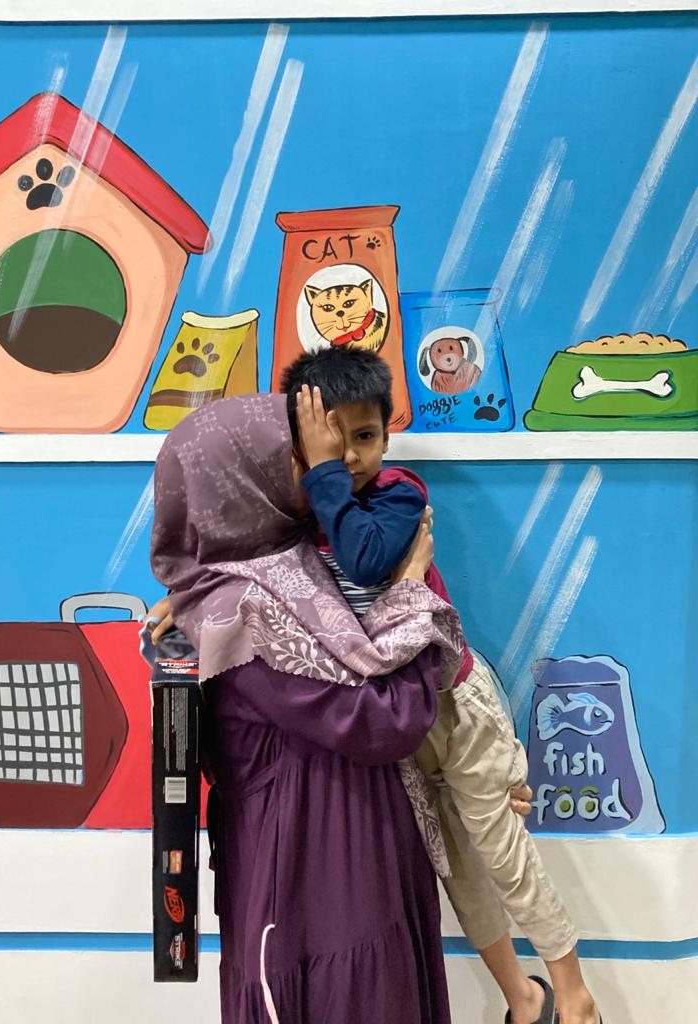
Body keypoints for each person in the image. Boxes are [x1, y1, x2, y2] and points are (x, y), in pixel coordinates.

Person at [278, 346, 602, 1024]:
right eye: (334, 441)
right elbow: (247, 565)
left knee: (503, 851)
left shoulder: (399, 494)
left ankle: (574, 992)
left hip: (454, 702)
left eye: (365, 437)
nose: (353, 457)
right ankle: (522, 997)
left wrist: (326, 471)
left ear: (386, 436)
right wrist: (185, 598)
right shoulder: (303, 520)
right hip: (397, 722)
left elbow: (368, 563)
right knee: (456, 868)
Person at [150, 392, 463, 1024]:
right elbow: (384, 721)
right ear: (242, 486)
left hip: (343, 854)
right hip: (316, 876)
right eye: (295, 460)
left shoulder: (281, 576)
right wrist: (410, 592)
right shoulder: (245, 613)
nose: (327, 471)